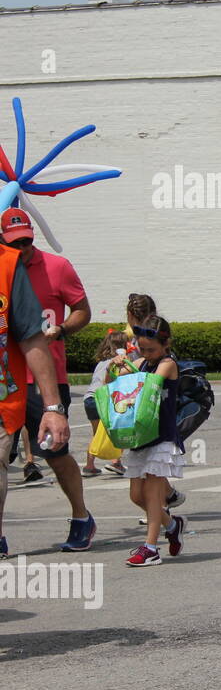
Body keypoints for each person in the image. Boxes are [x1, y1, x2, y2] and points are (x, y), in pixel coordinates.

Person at [0, 207, 96, 550]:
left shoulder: (58, 267)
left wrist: (62, 330)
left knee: (54, 452)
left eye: (25, 241)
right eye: (13, 242)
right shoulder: (4, 268)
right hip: (8, 380)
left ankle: (81, 516)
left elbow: (82, 310)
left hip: (47, 377)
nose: (21, 248)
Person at [0, 235, 73, 559]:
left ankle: (81, 515)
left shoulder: (7, 265)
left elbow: (32, 337)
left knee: (54, 455)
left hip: (3, 401)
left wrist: (53, 408)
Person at [114, 315, 187, 567]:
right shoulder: (142, 362)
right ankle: (172, 524)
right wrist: (119, 367)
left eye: (151, 349)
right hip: (140, 437)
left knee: (153, 493)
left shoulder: (167, 364)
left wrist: (129, 369)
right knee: (136, 496)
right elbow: (116, 386)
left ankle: (151, 548)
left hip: (162, 436)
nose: (146, 353)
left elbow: (146, 386)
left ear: (166, 345)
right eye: (142, 349)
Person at [82, 329, 130, 476]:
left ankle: (89, 466)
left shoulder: (101, 362)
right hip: (103, 399)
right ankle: (116, 462)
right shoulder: (118, 362)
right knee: (118, 430)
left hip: (89, 399)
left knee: (97, 435)